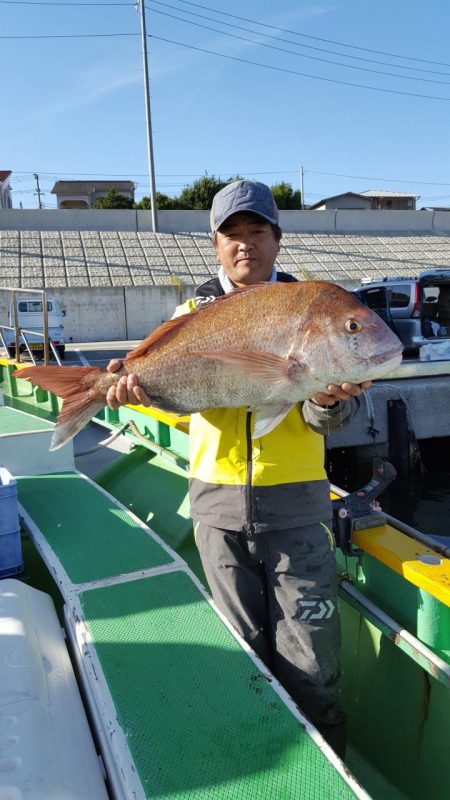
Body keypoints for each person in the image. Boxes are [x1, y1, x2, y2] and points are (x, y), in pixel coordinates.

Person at [106, 180, 371, 757]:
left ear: (277, 238)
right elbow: (172, 387)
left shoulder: (315, 307)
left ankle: (320, 775)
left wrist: (328, 401)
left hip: (299, 510)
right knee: (242, 655)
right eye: (232, 234)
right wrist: (131, 387)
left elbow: (339, 417)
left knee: (312, 664)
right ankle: (258, 764)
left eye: (257, 231)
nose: (245, 244)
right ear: (215, 244)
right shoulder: (189, 314)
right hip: (216, 508)